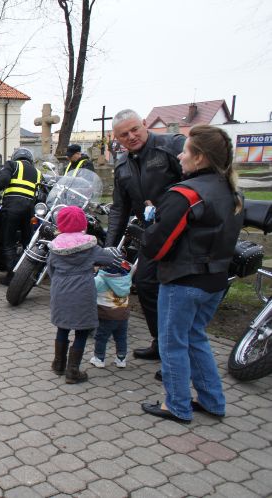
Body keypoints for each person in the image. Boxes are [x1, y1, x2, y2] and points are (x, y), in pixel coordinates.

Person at [140, 125, 243, 423]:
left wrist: (142, 233)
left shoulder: (186, 193)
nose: (180, 156)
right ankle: (212, 402)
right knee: (196, 337)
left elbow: (158, 246)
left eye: (185, 151)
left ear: (199, 158)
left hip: (183, 280)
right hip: (216, 280)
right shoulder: (232, 191)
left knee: (173, 344)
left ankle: (177, 406)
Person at [105, 109, 185, 362]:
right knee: (147, 284)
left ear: (144, 124)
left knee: (179, 289)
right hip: (152, 234)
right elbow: (119, 209)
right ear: (116, 138)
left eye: (134, 130)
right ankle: (160, 342)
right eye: (123, 134)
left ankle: (179, 349)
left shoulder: (171, 146)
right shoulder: (122, 166)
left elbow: (196, 180)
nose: (131, 136)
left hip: (183, 231)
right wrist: (109, 248)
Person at [48, 206, 118, 384]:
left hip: (60, 290)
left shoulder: (55, 246)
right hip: (83, 292)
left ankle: (58, 364)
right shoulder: (90, 246)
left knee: (62, 328)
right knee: (81, 331)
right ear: (83, 223)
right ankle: (73, 372)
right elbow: (108, 259)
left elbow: (51, 269)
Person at [0, 147, 41, 285]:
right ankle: (26, 275)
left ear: (16, 157)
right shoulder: (37, 172)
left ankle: (11, 276)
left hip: (12, 208)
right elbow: (41, 194)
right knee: (27, 243)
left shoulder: (12, 165)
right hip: (29, 211)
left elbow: (2, 181)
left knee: (9, 242)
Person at [90, 262, 133, 369]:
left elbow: (89, 290)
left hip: (106, 315)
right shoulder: (126, 278)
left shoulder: (100, 279)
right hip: (123, 315)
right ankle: (121, 359)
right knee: (121, 338)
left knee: (101, 337)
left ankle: (99, 358)